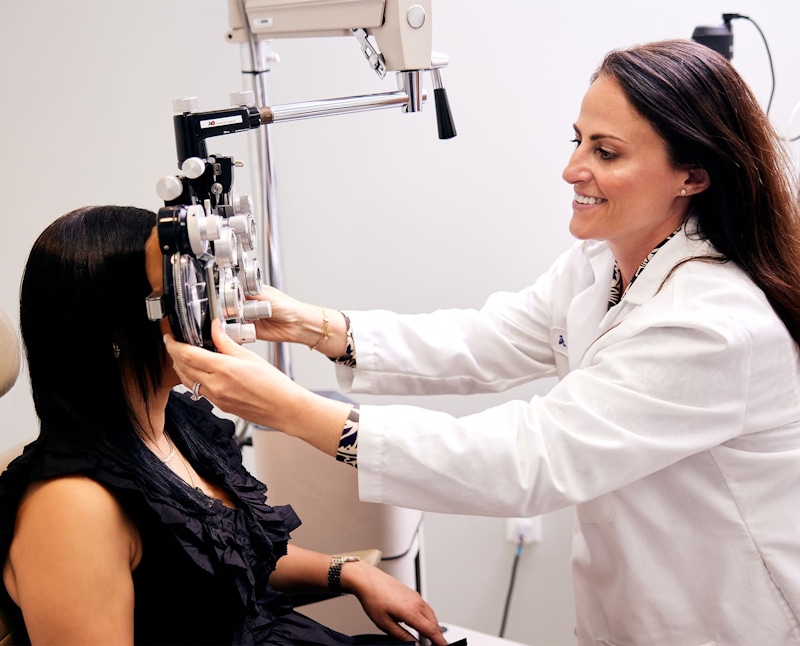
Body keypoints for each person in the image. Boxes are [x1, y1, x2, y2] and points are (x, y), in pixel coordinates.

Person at [165, 39, 800, 644]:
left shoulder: (712, 324)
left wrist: (291, 409)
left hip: (729, 618)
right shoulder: (602, 264)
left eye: (607, 153)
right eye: (578, 141)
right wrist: (316, 326)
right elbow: (484, 339)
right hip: (638, 603)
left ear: (691, 176)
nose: (571, 169)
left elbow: (527, 460)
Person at [0, 205, 447, 646]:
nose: (203, 306)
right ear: (115, 329)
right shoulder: (72, 508)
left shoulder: (173, 426)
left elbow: (228, 553)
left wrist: (348, 571)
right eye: (177, 290)